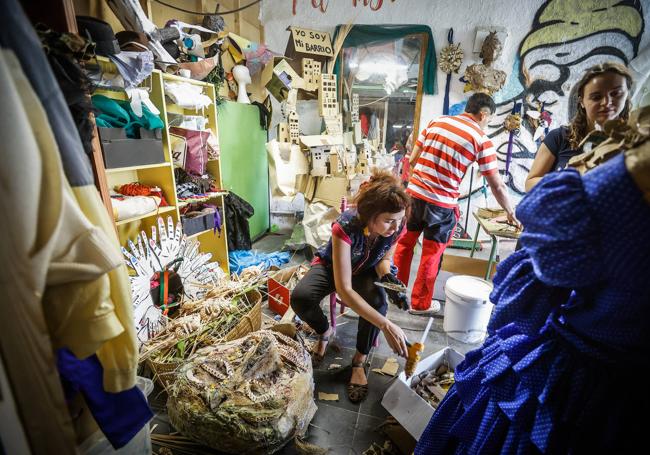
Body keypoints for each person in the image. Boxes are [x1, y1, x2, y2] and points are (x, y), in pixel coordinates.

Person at [415, 107, 650, 454]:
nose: (608, 104)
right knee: (428, 252)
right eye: (597, 95)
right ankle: (418, 299)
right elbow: (502, 181)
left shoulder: (611, 185)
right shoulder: (582, 159)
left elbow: (518, 309)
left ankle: (417, 299)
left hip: (571, 376)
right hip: (623, 396)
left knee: (417, 249)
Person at [290, 170, 410, 403]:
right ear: (370, 214)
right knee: (301, 297)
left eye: (399, 221)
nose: (395, 228)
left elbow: (384, 258)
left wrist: (388, 278)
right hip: (333, 264)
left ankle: (358, 361)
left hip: (365, 269)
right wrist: (385, 325)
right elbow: (344, 288)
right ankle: (325, 331)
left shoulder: (396, 224)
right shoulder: (346, 226)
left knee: (378, 302)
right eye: (388, 221)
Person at [393, 93, 517, 314]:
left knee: (404, 244)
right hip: (441, 205)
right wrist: (510, 211)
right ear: (483, 114)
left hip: (414, 196)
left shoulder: (436, 122)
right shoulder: (481, 139)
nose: (487, 123)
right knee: (431, 255)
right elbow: (497, 185)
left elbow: (412, 160)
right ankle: (420, 304)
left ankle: (395, 293)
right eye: (489, 119)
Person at [525, 62, 632, 191]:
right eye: (596, 97)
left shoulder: (635, 142)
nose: (606, 102)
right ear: (581, 101)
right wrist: (563, 179)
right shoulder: (559, 137)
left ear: (626, 96)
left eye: (616, 94)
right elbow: (529, 184)